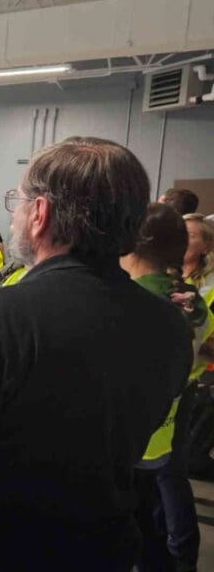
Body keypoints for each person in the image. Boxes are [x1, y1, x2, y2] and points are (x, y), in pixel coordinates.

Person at [0, 137, 193, 571]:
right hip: (104, 545)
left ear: (39, 214)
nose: (15, 214)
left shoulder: (0, 316)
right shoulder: (168, 324)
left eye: (19, 201)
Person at [119, 204, 209, 572]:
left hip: (125, 437)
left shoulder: (129, 302)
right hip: (164, 427)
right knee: (150, 517)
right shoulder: (191, 298)